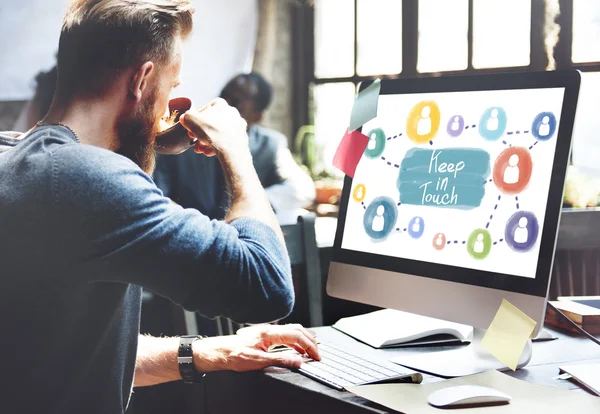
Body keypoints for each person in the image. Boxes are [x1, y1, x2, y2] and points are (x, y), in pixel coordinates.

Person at [0, 1, 319, 413]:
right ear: (143, 79)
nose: (168, 105)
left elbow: (65, 354)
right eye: (171, 87)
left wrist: (214, 351)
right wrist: (236, 150)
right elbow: (268, 286)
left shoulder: (16, 156)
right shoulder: (86, 177)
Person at [154, 72, 316, 224]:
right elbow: (157, 195)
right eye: (224, 95)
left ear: (257, 116)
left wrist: (250, 205)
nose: (224, 104)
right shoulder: (181, 140)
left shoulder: (270, 145)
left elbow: (303, 188)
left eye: (236, 101)